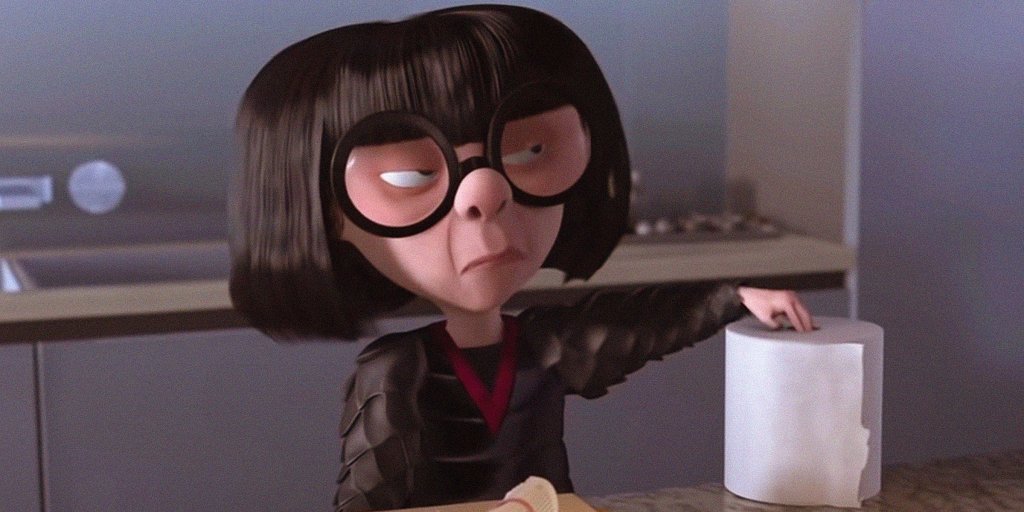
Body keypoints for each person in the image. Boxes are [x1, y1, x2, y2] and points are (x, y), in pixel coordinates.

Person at [229, 5, 813, 511]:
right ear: (331, 215)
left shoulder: (542, 346)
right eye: (410, 175)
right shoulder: (395, 373)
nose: (485, 195)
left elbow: (638, 329)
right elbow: (369, 500)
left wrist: (734, 297)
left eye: (530, 151)